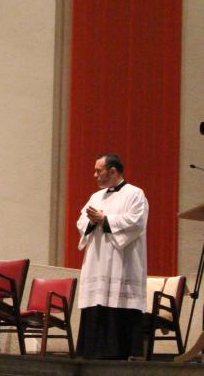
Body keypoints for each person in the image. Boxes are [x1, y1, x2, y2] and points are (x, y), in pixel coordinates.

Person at [75, 154, 148, 360]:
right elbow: (81, 221)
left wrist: (105, 220)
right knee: (96, 302)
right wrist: (91, 222)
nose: (95, 175)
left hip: (121, 261)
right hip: (97, 260)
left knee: (118, 303)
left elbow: (136, 222)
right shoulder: (96, 197)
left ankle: (119, 355)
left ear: (113, 171)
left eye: (99, 170)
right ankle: (92, 354)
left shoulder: (135, 194)